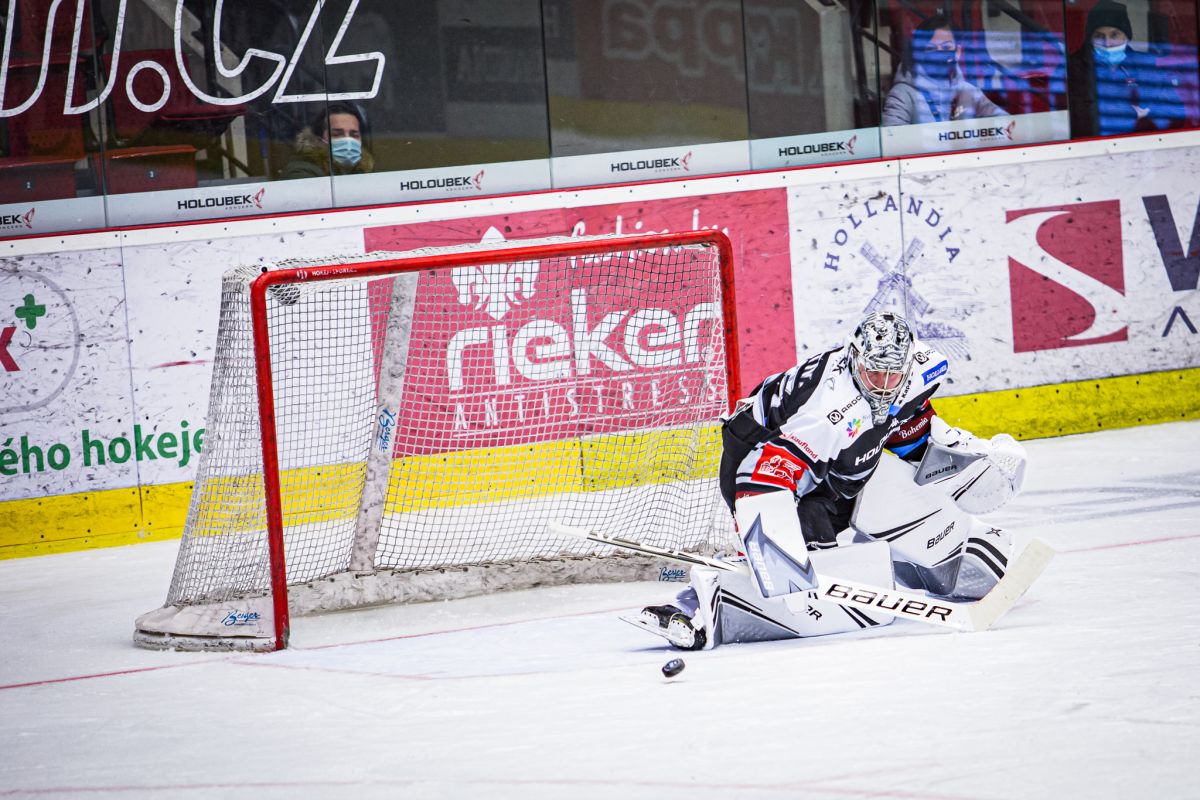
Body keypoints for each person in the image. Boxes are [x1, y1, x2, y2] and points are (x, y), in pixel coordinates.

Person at [631, 311, 1028, 650]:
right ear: (854, 358)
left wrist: (968, 458)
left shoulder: (921, 368)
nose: (882, 385)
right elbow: (763, 479)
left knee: (965, 561)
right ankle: (696, 606)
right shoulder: (828, 410)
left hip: (838, 465)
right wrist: (779, 555)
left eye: (893, 375)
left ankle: (939, 554)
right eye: (873, 373)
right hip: (763, 463)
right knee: (800, 576)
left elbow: (904, 423)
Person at [1067, 0, 1186, 137]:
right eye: (1099, 36)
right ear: (1090, 39)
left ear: (1126, 36)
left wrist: (1147, 124)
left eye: (1114, 35)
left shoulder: (1144, 64)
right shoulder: (1074, 68)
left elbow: (1175, 112)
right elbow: (1083, 119)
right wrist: (1133, 115)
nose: (1108, 43)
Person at [882, 15, 1009, 126]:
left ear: (957, 52)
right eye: (931, 48)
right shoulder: (902, 94)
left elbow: (1006, 124)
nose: (939, 53)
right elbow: (892, 138)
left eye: (946, 47)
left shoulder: (968, 91)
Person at [280, 102, 374, 179]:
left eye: (354, 135)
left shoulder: (363, 170)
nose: (348, 140)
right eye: (337, 134)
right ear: (319, 138)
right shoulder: (301, 172)